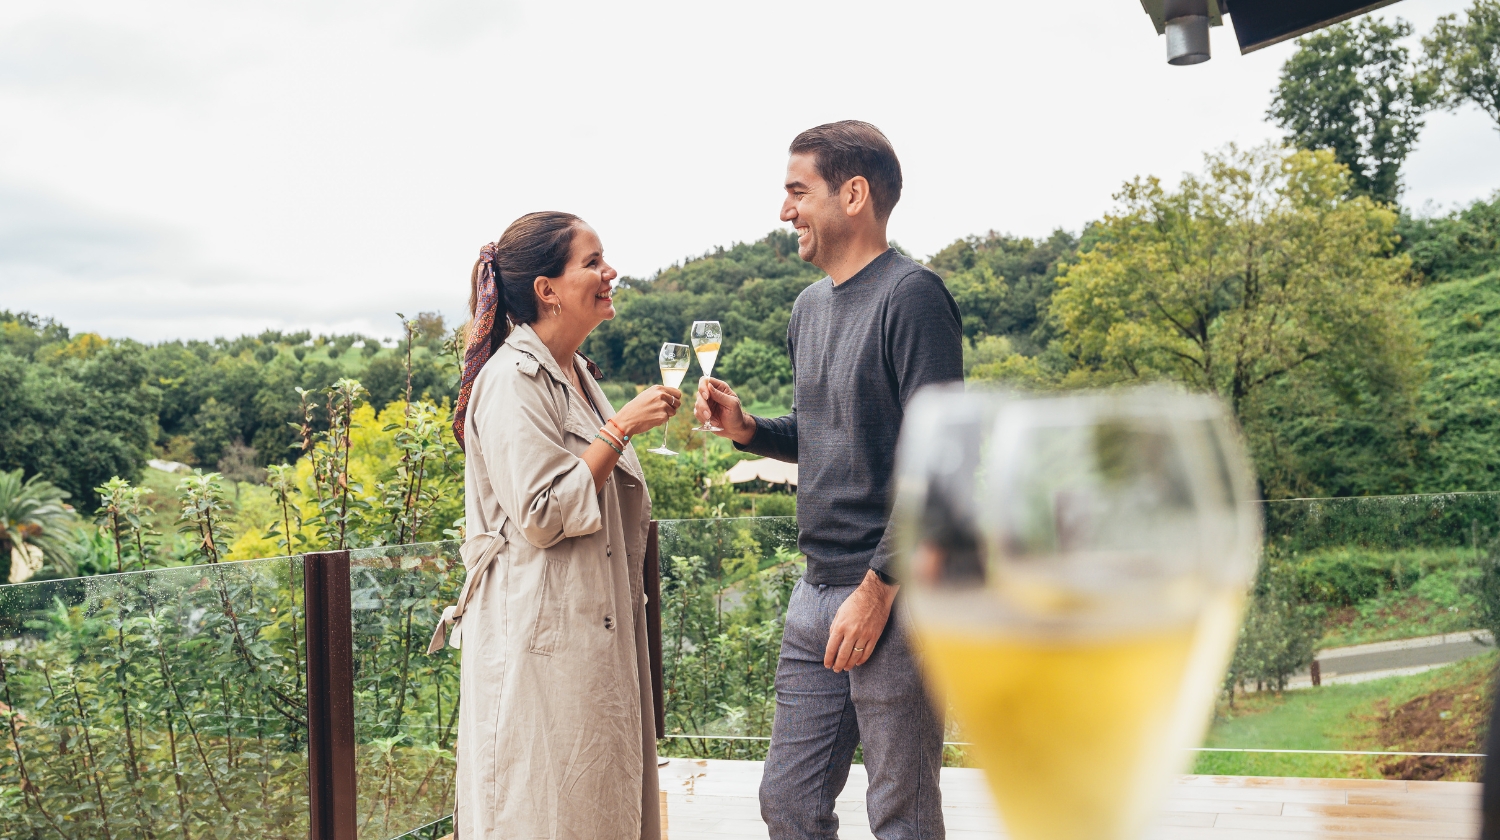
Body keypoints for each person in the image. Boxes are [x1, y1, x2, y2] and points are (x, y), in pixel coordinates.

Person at [695, 121, 964, 839]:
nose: (784, 212)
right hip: (815, 592)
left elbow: (940, 458)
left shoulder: (913, 297)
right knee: (788, 803)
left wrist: (878, 591)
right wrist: (750, 428)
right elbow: (825, 433)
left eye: (796, 191)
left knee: (900, 815)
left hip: (895, 599)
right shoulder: (808, 309)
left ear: (853, 193)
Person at [437, 211, 682, 839]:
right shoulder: (512, 380)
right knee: (542, 809)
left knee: (596, 808)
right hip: (538, 640)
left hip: (590, 633)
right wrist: (620, 427)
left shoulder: (576, 374)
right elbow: (542, 513)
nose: (611, 273)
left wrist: (616, 423)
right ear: (547, 288)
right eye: (593, 262)